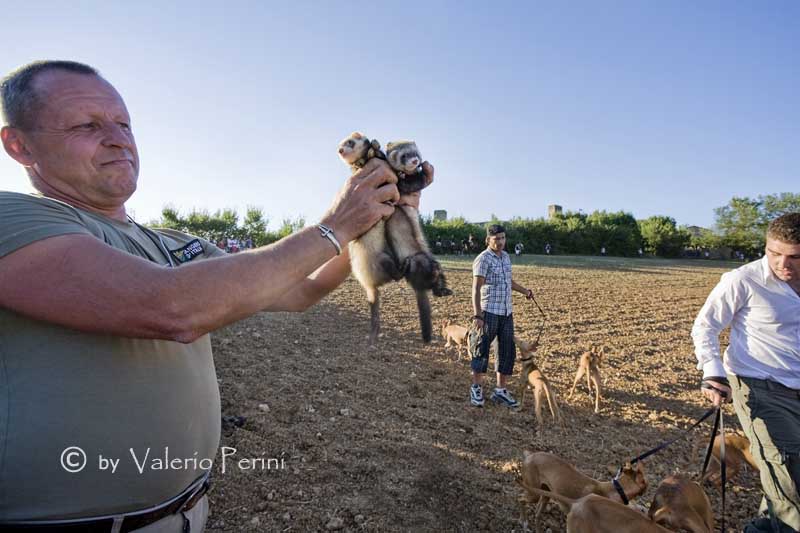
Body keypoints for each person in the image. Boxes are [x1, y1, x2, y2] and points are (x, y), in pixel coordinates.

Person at [0, 60, 432, 530]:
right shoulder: (14, 218)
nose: (118, 137)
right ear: (19, 144)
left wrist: (380, 216)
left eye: (123, 122)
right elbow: (169, 307)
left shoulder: (170, 242)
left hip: (188, 513)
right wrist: (335, 224)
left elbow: (302, 289)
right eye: (86, 124)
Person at [692, 212, 800, 533]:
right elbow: (705, 326)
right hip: (759, 386)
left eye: (794, 256)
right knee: (788, 471)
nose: (782, 264)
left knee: (784, 480)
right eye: (773, 253)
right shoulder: (743, 280)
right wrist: (712, 372)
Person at [470, 224, 535, 408]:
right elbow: (476, 288)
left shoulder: (506, 257)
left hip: (506, 312)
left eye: (503, 238)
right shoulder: (483, 259)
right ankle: (476, 388)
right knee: (481, 350)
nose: (500, 242)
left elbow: (508, 281)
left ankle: (500, 390)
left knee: (506, 351)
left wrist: (525, 291)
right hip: (488, 311)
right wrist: (478, 315)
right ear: (488, 240)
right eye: (496, 239)